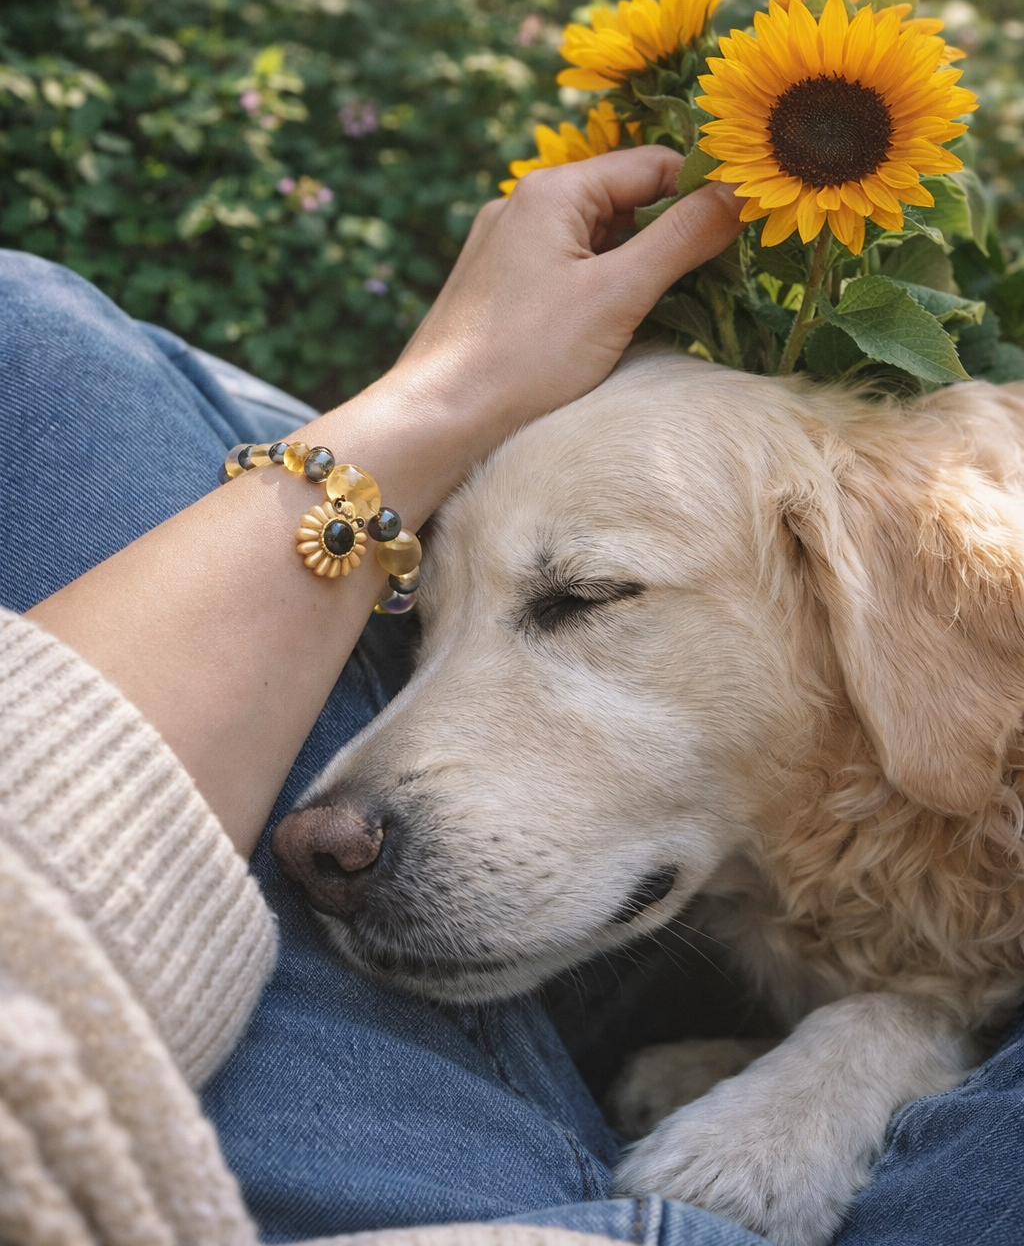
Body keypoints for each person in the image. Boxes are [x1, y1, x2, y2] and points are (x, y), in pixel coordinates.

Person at [0, 150, 1020, 1246]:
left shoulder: (912, 584)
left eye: (579, 598)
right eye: (422, 626)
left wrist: (884, 1036)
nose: (337, 821)